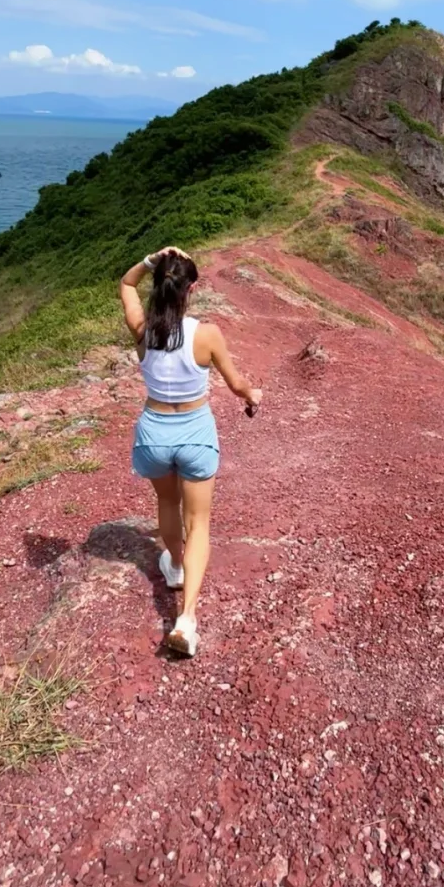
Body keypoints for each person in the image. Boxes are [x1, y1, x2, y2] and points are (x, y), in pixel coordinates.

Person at [119, 246, 262, 657]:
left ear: (160, 287)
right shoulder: (207, 334)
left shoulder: (142, 328)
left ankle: (175, 566)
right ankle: (186, 618)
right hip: (195, 432)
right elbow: (236, 384)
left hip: (154, 433)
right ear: (191, 289)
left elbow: (126, 284)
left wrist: (149, 261)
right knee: (198, 523)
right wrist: (253, 394)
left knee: (167, 500)